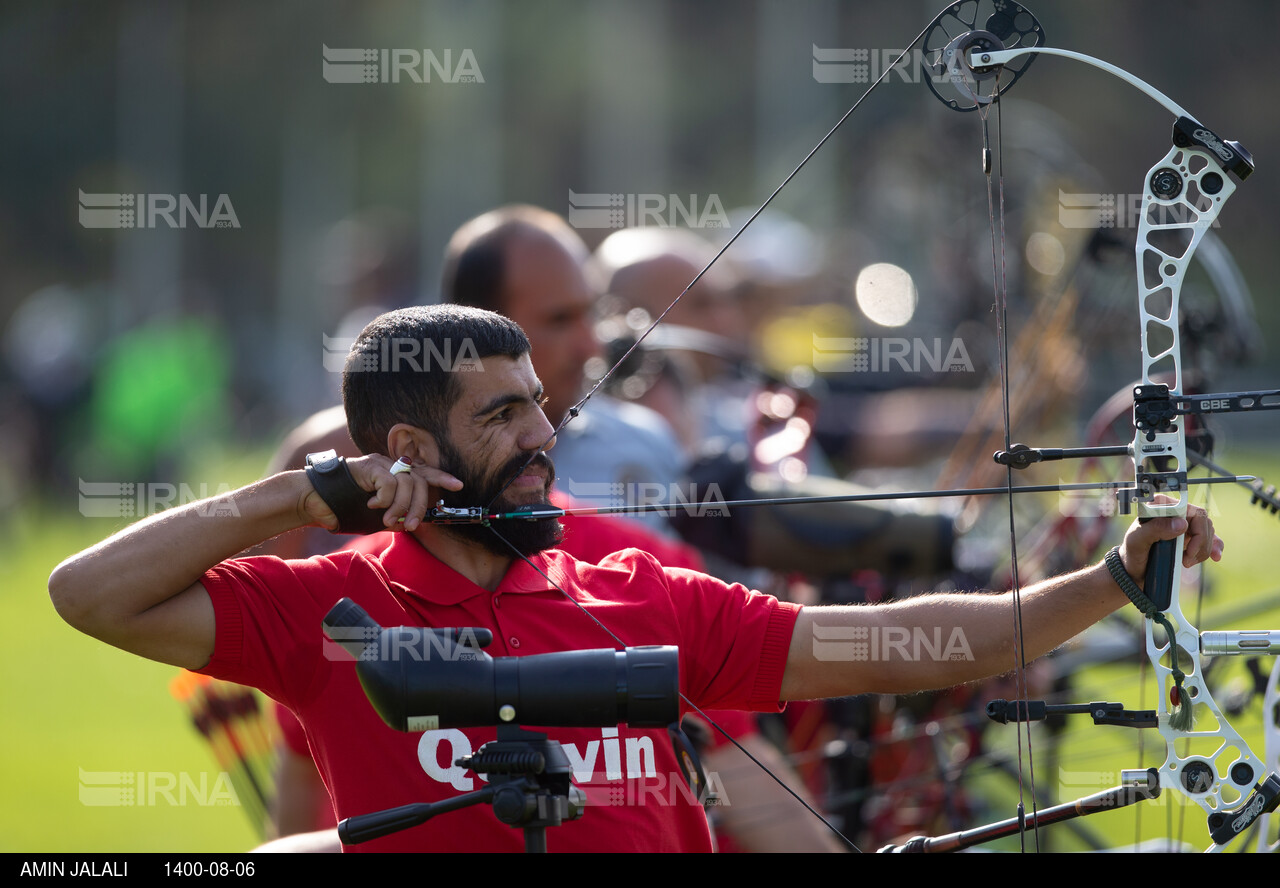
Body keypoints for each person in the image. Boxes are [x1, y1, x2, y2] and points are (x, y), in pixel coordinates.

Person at [50, 304, 1221, 852]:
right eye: (501, 415)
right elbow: (86, 594)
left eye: (541, 409)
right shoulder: (327, 609)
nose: (540, 438)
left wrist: (1116, 576)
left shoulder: (628, 592)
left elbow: (923, 643)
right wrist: (295, 498)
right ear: (406, 454)